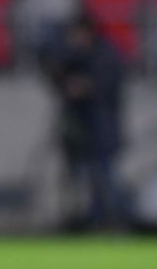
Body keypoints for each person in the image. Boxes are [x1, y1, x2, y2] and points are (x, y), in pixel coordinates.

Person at [42, 15, 126, 231]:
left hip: (102, 128)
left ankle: (113, 222)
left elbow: (109, 84)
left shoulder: (105, 54)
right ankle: (88, 221)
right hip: (78, 130)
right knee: (81, 179)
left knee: (105, 178)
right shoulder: (71, 56)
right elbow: (53, 73)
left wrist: (86, 87)